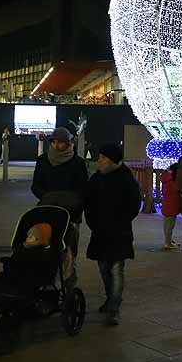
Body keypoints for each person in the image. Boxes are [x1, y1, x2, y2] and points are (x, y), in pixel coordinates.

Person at [84, 143, 141, 326]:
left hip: (119, 232)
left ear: (113, 160)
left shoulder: (126, 178)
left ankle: (114, 308)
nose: (99, 161)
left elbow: (134, 204)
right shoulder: (96, 179)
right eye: (99, 157)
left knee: (116, 270)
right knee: (103, 268)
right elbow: (89, 202)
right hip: (100, 232)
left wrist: (121, 221)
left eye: (103, 157)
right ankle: (110, 298)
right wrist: (92, 222)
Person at [32, 127, 88, 278]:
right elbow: (36, 185)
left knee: (69, 252)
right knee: (45, 249)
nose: (56, 146)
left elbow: (83, 189)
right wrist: (48, 197)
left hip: (70, 215)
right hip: (47, 212)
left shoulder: (78, 163)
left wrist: (72, 204)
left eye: (61, 142)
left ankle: (69, 286)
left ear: (69, 143)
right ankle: (47, 281)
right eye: (54, 142)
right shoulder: (43, 161)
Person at [159, 161, 181, 250]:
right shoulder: (172, 181)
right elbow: (177, 191)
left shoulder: (166, 178)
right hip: (172, 204)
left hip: (166, 203)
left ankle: (168, 241)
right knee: (170, 225)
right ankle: (167, 243)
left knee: (166, 223)